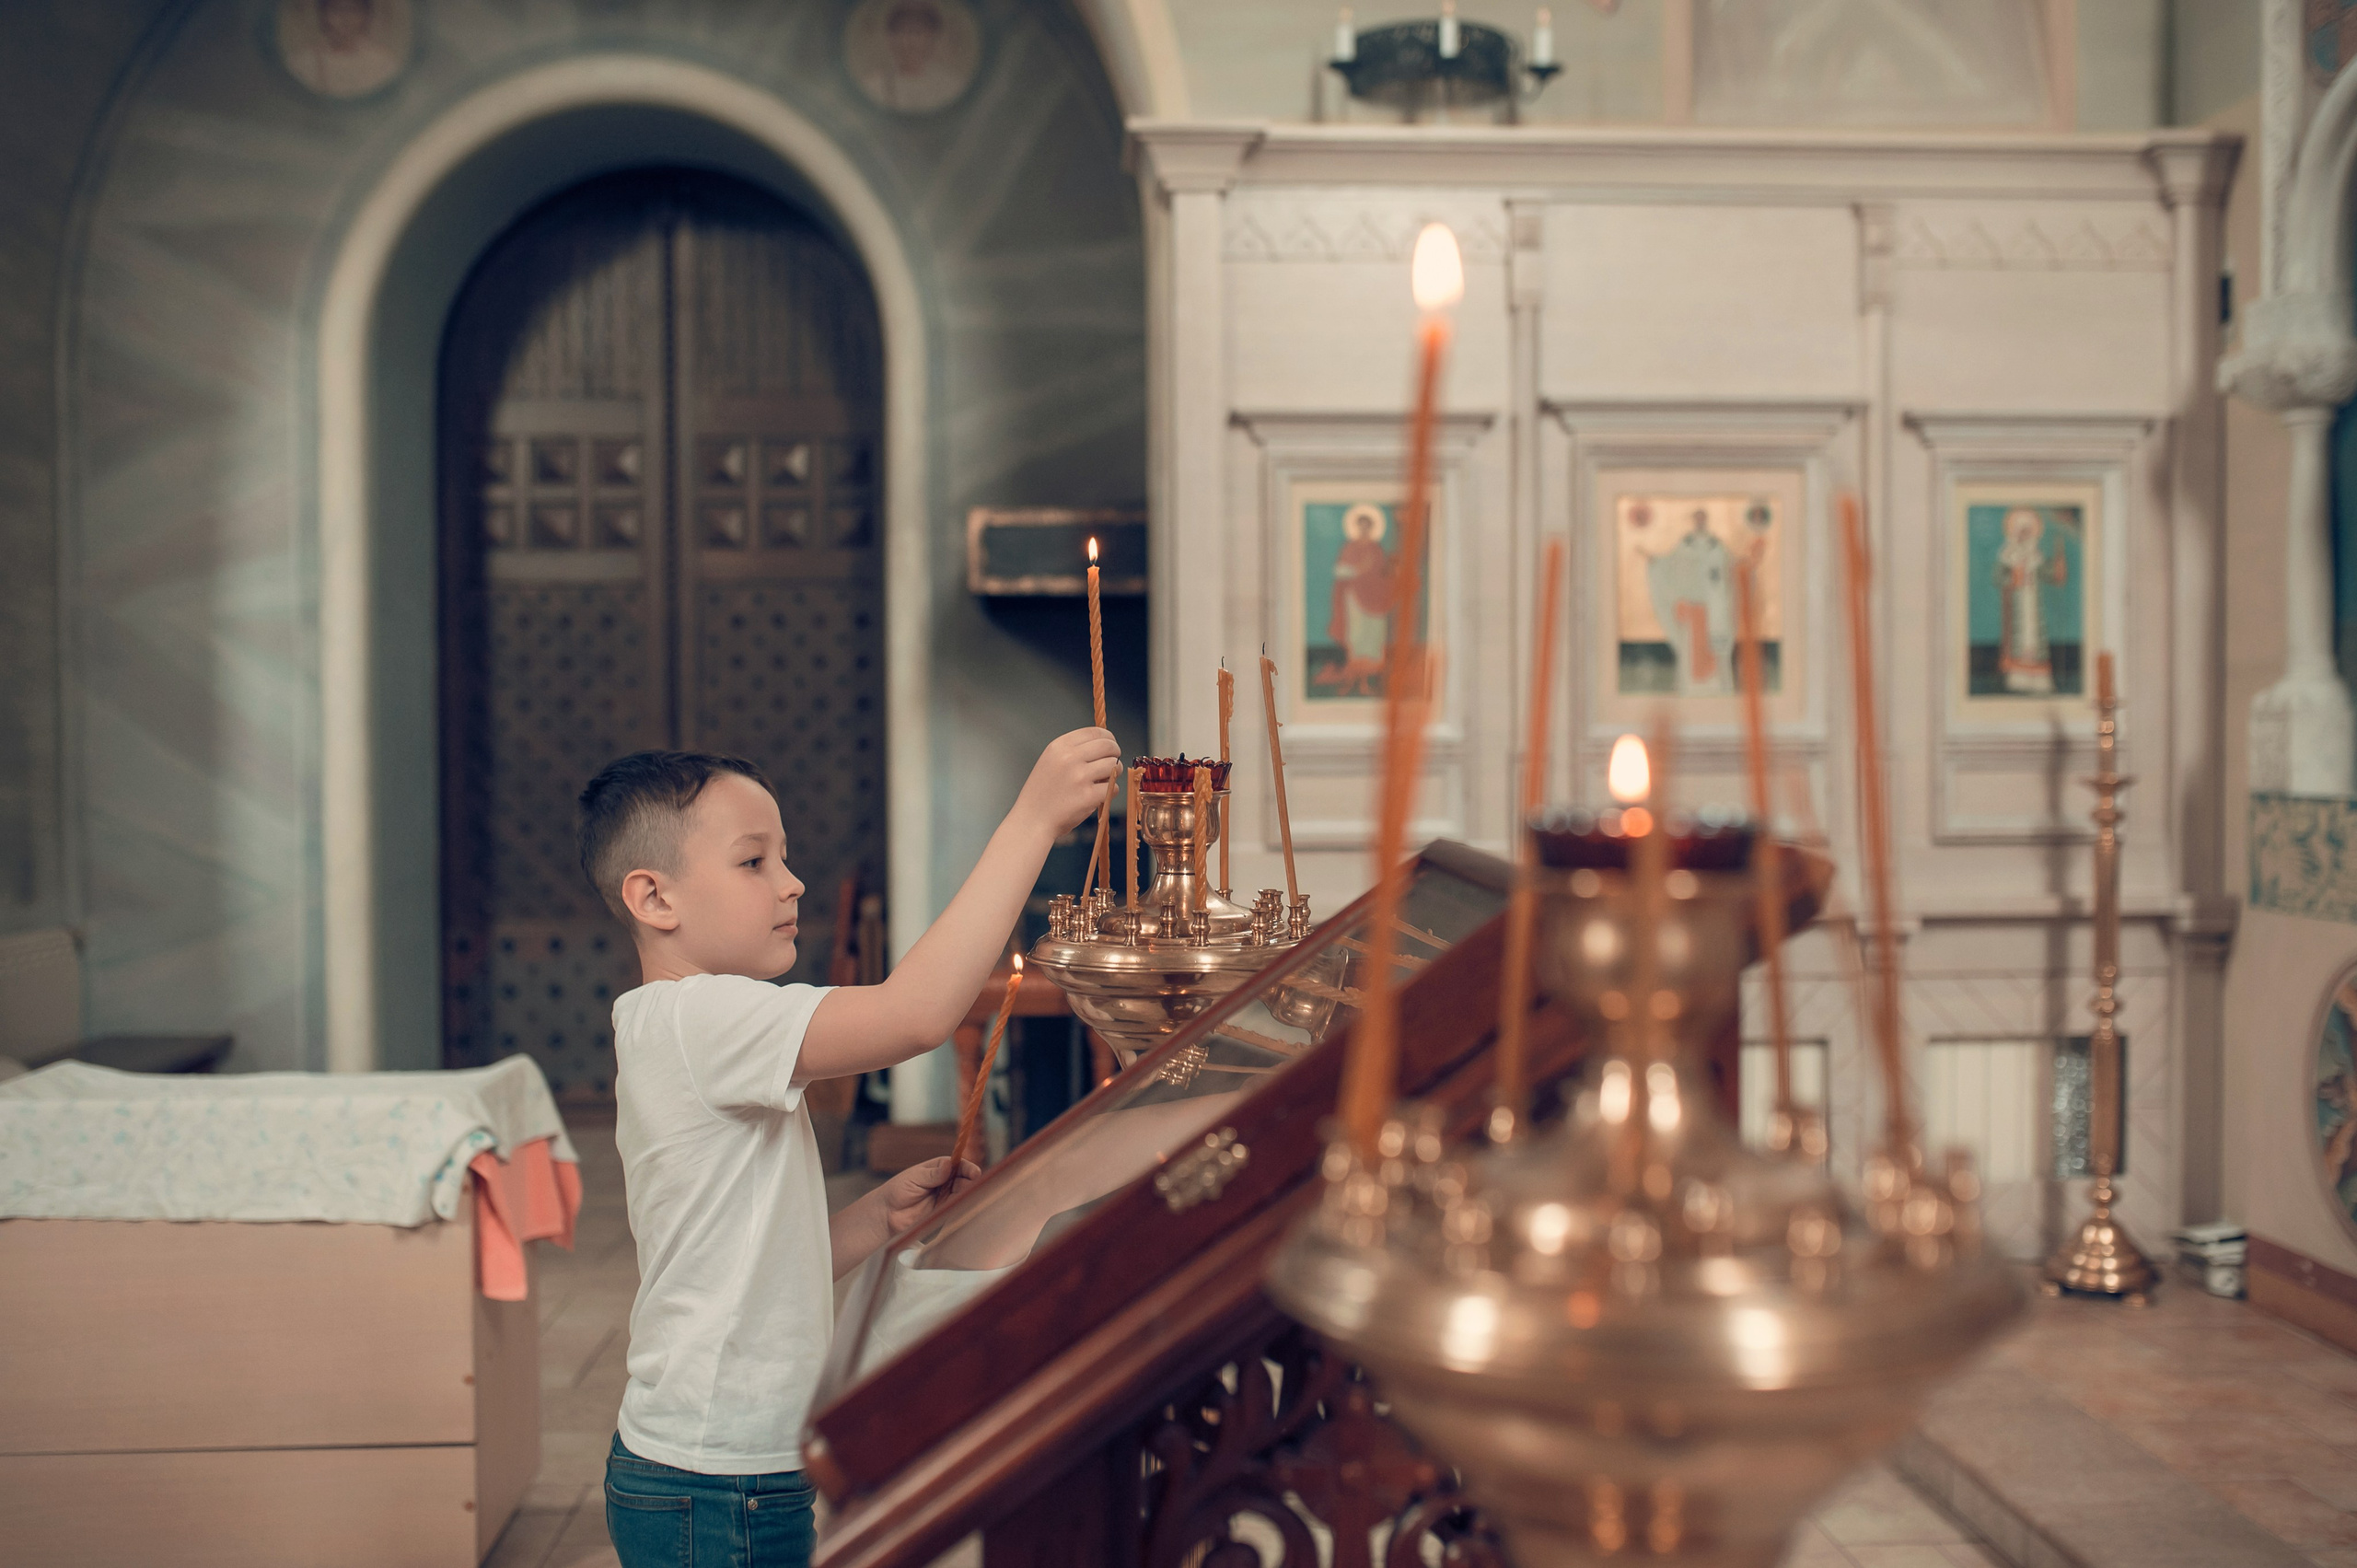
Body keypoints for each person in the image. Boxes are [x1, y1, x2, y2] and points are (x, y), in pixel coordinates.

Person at [579, 731, 1119, 1567]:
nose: (791, 881)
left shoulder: (687, 1025)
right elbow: (916, 1015)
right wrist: (1032, 820)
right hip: (716, 1481)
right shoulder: (702, 1018)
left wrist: (873, 1217)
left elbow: (739, 1269)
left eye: (784, 857)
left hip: (714, 1463)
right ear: (654, 899)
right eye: (754, 862)